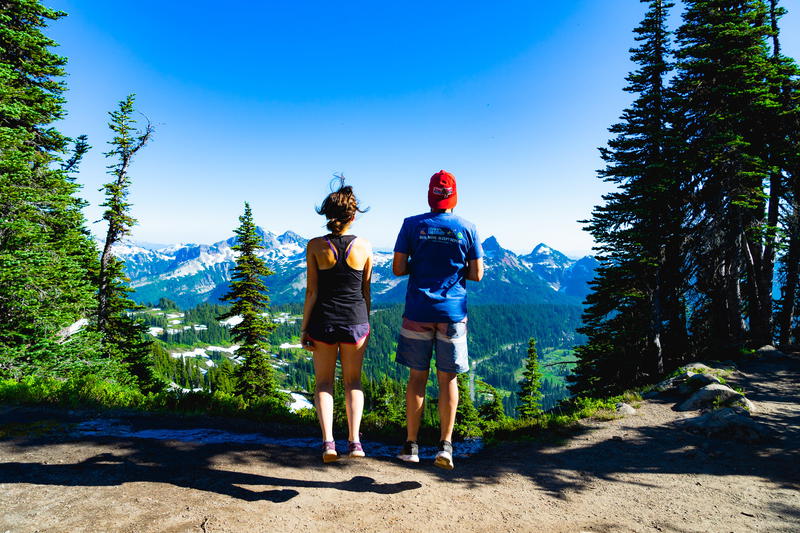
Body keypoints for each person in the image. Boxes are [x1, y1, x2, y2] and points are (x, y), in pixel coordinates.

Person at [392, 170, 484, 470]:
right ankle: (445, 446)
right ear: (453, 197)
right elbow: (477, 274)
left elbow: (397, 268)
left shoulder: (411, 225)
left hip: (418, 310)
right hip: (453, 313)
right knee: (449, 379)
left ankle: (411, 445)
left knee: (417, 379)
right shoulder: (468, 227)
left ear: (429, 195)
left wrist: (421, 264)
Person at [301, 178, 372, 463]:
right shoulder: (365, 247)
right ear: (353, 216)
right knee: (353, 382)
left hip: (323, 322)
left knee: (324, 384)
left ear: (327, 215)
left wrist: (305, 327)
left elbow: (312, 291)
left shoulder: (315, 246)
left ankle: (329, 443)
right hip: (356, 321)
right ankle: (355, 442)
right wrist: (366, 321)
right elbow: (366, 290)